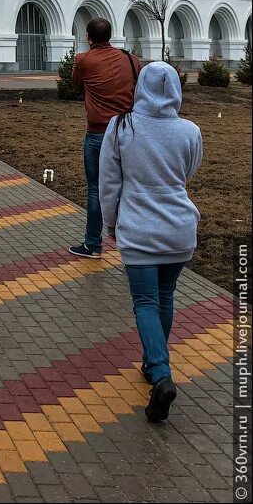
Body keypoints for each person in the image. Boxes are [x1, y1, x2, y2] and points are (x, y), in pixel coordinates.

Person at [99, 61, 202, 422]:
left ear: (139, 87)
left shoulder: (121, 126)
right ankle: (151, 364)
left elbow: (108, 182)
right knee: (165, 297)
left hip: (139, 229)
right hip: (179, 230)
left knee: (144, 302)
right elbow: (188, 171)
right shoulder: (189, 130)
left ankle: (161, 375)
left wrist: (110, 223)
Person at [68, 17, 140, 258]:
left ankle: (93, 245)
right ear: (111, 35)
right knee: (130, 187)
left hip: (98, 133)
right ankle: (133, 244)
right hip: (129, 132)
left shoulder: (84, 60)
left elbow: (75, 84)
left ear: (88, 37)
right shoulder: (131, 59)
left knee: (96, 189)